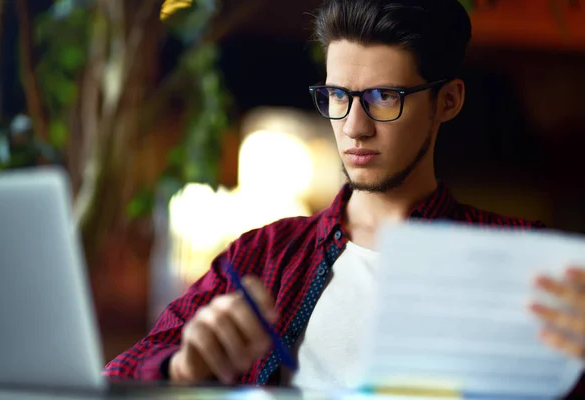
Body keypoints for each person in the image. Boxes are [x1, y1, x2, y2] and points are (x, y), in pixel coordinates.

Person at [103, 0, 585, 393]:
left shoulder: (524, 263)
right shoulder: (262, 255)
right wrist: (182, 371)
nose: (354, 127)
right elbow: (114, 379)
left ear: (448, 101)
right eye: (338, 96)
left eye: (383, 97)